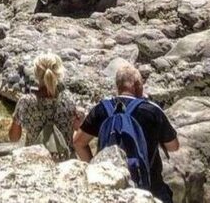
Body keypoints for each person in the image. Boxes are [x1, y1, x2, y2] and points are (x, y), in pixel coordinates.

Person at [75, 64, 180, 203]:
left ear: (118, 86)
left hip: (110, 186)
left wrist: (93, 168)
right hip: (150, 187)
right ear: (137, 85)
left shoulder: (102, 109)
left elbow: (78, 142)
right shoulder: (152, 111)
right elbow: (173, 146)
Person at [8, 53, 77, 160]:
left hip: (37, 162)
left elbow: (14, 137)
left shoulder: (26, 102)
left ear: (36, 74)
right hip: (65, 163)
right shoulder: (69, 100)